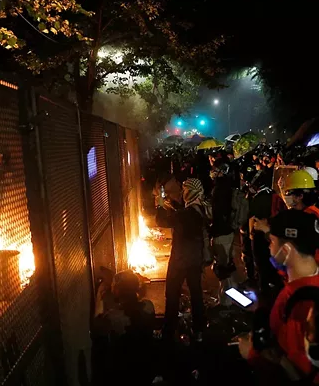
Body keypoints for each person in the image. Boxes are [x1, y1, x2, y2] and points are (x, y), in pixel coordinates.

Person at [239, 210, 319, 384]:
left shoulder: (302, 306)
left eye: (272, 241)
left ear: (287, 250)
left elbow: (296, 373)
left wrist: (251, 354)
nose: (269, 247)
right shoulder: (303, 283)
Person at [157, 178, 207, 342]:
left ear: (191, 192)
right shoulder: (199, 209)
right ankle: (199, 328)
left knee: (172, 294)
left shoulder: (187, 214)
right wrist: (172, 205)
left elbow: (163, 221)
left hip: (180, 260)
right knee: (196, 293)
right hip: (194, 259)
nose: (182, 193)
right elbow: (183, 215)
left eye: (185, 190)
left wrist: (159, 206)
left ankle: (168, 331)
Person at [92, 270, 156, 386]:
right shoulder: (149, 307)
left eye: (113, 286)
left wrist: (99, 296)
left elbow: (96, 327)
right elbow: (135, 302)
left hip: (124, 374)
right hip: (146, 368)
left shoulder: (113, 318)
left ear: (117, 291)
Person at [210, 159, 237, 306]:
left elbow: (218, 212)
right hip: (228, 230)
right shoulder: (227, 185)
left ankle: (227, 302)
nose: (212, 172)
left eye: (215, 169)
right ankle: (230, 298)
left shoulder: (221, 189)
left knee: (223, 268)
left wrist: (212, 230)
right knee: (227, 265)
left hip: (222, 231)